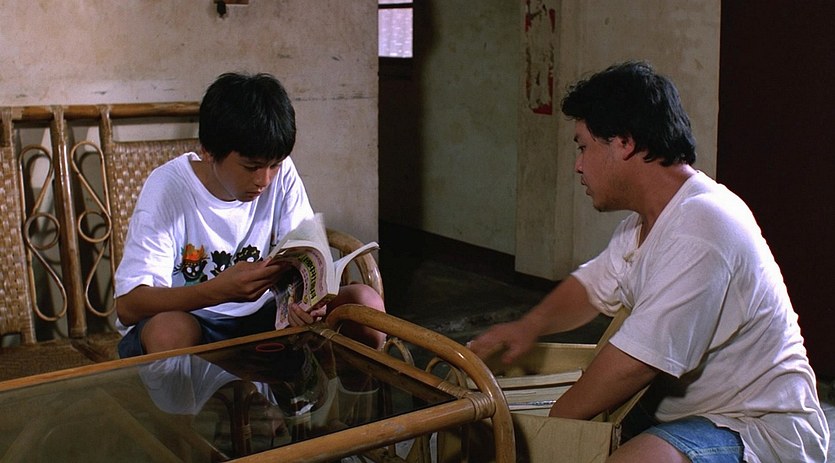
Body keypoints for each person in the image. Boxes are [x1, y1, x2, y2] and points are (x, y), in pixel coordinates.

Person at [469, 62, 829, 462]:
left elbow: (636, 364)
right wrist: (529, 326)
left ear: (624, 142)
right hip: (683, 412)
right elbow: (591, 287)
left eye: (583, 147)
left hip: (753, 425)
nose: (578, 165)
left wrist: (545, 433)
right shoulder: (644, 223)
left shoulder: (702, 225)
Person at [115, 72, 385, 358]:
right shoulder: (168, 187)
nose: (264, 180)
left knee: (363, 301)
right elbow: (129, 305)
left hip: (266, 315)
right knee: (168, 332)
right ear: (208, 151)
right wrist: (218, 291)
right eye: (251, 167)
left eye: (274, 165)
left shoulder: (281, 173)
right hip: (196, 318)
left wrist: (304, 303)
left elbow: (301, 256)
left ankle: (360, 389)